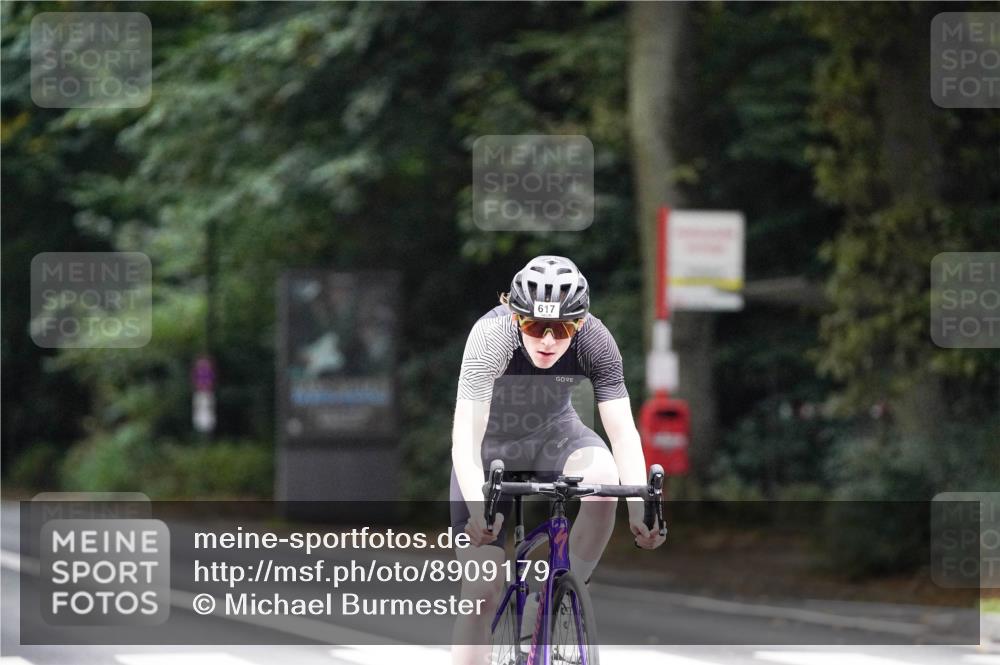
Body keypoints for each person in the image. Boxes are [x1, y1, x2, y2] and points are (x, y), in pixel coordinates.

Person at [449, 255, 666, 665]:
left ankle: (553, 597)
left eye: (562, 328)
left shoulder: (596, 340)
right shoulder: (490, 337)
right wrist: (479, 511)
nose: (547, 340)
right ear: (516, 318)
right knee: (481, 590)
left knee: (603, 481)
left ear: (579, 324)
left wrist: (640, 507)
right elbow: (465, 439)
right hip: (488, 449)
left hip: (556, 436)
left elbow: (622, 432)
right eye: (534, 326)